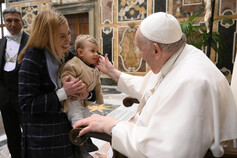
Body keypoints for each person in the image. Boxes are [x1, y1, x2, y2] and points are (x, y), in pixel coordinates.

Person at [73, 12, 237, 158]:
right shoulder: (181, 56)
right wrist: (113, 72)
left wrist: (112, 125)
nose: (140, 55)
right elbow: (150, 87)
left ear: (156, 50)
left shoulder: (192, 81)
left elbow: (165, 150)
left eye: (140, 48)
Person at [18, 9, 89, 158]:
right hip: (43, 139)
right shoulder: (32, 58)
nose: (68, 40)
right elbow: (27, 104)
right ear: (46, 37)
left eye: (68, 33)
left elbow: (88, 80)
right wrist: (64, 93)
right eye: (61, 36)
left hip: (65, 133)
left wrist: (86, 92)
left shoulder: (68, 54)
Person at [58, 34, 103, 156]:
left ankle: (86, 142)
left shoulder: (94, 68)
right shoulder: (74, 63)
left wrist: (99, 101)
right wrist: (76, 86)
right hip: (72, 101)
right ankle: (80, 149)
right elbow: (66, 74)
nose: (96, 54)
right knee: (77, 121)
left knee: (87, 120)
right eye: (92, 51)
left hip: (84, 102)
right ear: (80, 52)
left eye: (97, 51)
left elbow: (97, 86)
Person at [0, 8, 29, 158]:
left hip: (25, 97)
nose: (12, 24)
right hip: (5, 99)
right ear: (4, 23)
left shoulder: (31, 42)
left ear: (22, 22)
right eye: (8, 20)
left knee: (29, 133)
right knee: (12, 134)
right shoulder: (1, 42)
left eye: (16, 20)